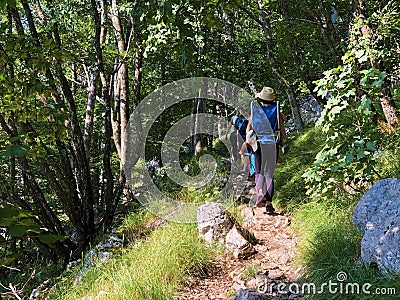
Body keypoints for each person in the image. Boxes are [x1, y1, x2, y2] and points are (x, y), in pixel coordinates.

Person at [246, 87, 286, 214]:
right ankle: (269, 205)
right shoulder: (277, 111)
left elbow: (248, 131)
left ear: (261, 99)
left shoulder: (255, 111)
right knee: (269, 175)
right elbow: (283, 134)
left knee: (259, 172)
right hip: (272, 145)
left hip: (258, 144)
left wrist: (251, 142)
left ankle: (260, 192)